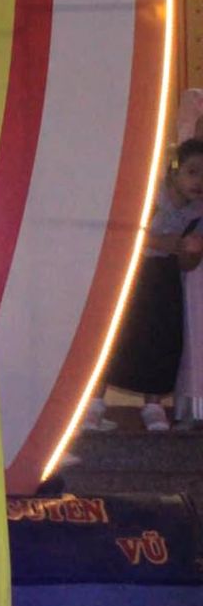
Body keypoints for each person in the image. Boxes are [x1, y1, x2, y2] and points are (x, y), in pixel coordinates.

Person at [87, 137, 203, 431]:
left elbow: (187, 264)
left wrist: (191, 251)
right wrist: (159, 241)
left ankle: (153, 404)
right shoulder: (150, 197)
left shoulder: (198, 213)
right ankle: (94, 403)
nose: (199, 181)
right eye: (192, 172)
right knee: (115, 334)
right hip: (131, 273)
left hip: (164, 281)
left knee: (161, 339)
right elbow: (121, 232)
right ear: (174, 170)